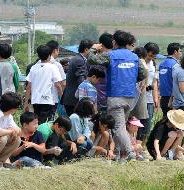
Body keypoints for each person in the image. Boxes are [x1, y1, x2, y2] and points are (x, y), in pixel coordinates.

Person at [88, 30, 147, 161]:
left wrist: (93, 48)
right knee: (121, 126)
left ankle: (130, 153)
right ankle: (121, 156)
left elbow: (92, 59)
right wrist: (129, 80)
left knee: (118, 127)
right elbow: (142, 74)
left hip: (115, 96)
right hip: (130, 97)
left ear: (114, 42)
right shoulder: (134, 57)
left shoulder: (110, 55)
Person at [25, 44, 65, 123]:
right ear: (50, 55)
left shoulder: (34, 67)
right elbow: (58, 85)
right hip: (48, 101)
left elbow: (28, 86)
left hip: (36, 100)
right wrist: (62, 98)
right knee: (48, 124)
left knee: (38, 122)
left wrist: (26, 103)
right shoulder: (53, 67)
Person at [62, 39, 92, 115]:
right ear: (86, 50)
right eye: (92, 51)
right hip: (74, 100)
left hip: (71, 99)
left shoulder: (78, 58)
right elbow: (81, 80)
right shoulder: (79, 60)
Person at [139, 43, 160, 139]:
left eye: (154, 57)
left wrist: (156, 98)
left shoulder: (153, 64)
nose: (151, 58)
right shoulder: (139, 62)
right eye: (150, 55)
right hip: (139, 98)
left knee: (147, 124)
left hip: (149, 98)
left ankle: (142, 145)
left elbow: (155, 82)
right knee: (137, 122)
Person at [158, 42, 181, 119]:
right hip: (173, 98)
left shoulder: (161, 64)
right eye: (180, 51)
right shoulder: (175, 65)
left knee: (165, 120)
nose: (180, 53)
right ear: (175, 52)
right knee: (174, 122)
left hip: (163, 97)